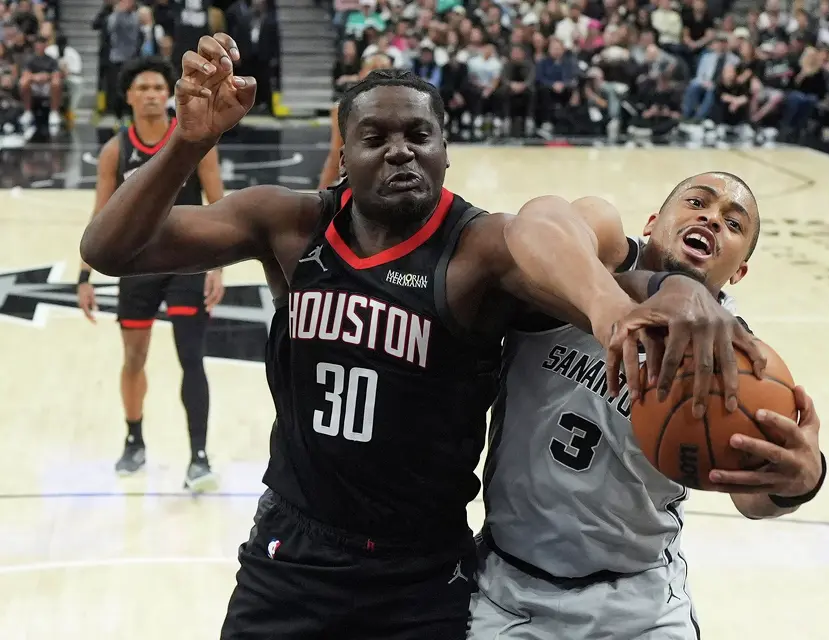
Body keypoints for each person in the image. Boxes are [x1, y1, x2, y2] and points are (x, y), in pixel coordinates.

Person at [79, 34, 764, 639]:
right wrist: (188, 142)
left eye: (418, 135)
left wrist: (680, 287)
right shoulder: (287, 224)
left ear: (445, 151)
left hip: (420, 573)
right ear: (344, 155)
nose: (400, 150)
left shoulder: (481, 250)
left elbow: (606, 261)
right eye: (376, 138)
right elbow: (110, 249)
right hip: (292, 551)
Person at [469, 173, 828, 640]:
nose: (712, 218)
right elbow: (534, 224)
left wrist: (800, 480)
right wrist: (617, 307)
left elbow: (751, 497)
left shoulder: (739, 361)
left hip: (638, 606)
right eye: (697, 202)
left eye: (733, 223)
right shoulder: (593, 257)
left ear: (738, 272)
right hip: (508, 590)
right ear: (653, 223)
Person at [77, 56, 226, 491]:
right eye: (142, 88)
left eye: (158, 87)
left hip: (186, 261)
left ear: (171, 93)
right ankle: (134, 439)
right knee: (134, 358)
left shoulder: (194, 139)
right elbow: (100, 216)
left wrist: (218, 266)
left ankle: (198, 457)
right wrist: (85, 277)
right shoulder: (116, 149)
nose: (151, 94)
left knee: (191, 357)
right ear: (128, 96)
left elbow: (219, 208)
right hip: (136, 265)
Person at [318, 53, 393, 190]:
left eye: (384, 69)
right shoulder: (344, 108)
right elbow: (335, 154)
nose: (380, 72)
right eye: (374, 68)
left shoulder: (399, 106)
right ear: (362, 73)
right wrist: (322, 196)